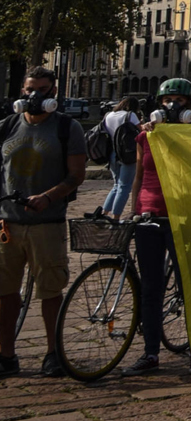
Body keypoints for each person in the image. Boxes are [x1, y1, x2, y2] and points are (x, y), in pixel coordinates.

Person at [120, 79, 191, 376]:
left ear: (190, 105)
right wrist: (134, 209)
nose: (171, 105)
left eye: (178, 100)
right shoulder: (146, 137)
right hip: (149, 216)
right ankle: (150, 353)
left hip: (185, 216)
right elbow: (138, 176)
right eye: (166, 100)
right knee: (150, 288)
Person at [1, 66, 88, 378]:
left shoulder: (67, 128)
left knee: (50, 291)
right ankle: (6, 355)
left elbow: (76, 175)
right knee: (4, 292)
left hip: (47, 224)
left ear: (53, 93)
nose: (34, 95)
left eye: (41, 89)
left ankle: (53, 354)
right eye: (29, 89)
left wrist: (49, 197)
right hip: (7, 225)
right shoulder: (8, 125)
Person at [99, 96, 142, 220]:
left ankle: (104, 212)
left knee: (116, 185)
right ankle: (116, 217)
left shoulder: (109, 115)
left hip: (112, 152)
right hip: (127, 153)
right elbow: (141, 130)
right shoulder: (130, 115)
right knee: (124, 186)